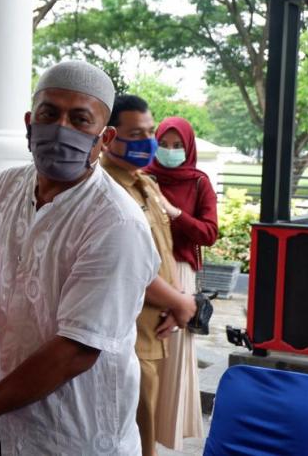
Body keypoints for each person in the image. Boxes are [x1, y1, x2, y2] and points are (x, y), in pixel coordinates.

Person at [0, 60, 160, 455]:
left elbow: (75, 350)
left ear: (104, 138)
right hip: (0, 424)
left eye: (80, 119)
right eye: (50, 113)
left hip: (71, 432)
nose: (61, 129)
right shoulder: (3, 188)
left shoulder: (116, 221)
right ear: (28, 121)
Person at [100, 94, 197, 456]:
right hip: (129, 335)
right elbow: (127, 263)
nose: (149, 141)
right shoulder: (105, 189)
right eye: (136, 134)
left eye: (150, 131)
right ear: (109, 137)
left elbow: (160, 253)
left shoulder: (145, 183)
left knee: (148, 428)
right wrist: (179, 303)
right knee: (131, 432)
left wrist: (174, 306)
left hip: (156, 328)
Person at [147, 116, 218, 451]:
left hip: (181, 273)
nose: (170, 151)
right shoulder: (144, 178)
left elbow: (209, 233)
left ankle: (163, 437)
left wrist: (176, 214)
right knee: (143, 351)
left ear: (188, 147)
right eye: (164, 143)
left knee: (173, 354)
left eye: (178, 146)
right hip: (146, 272)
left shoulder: (198, 182)